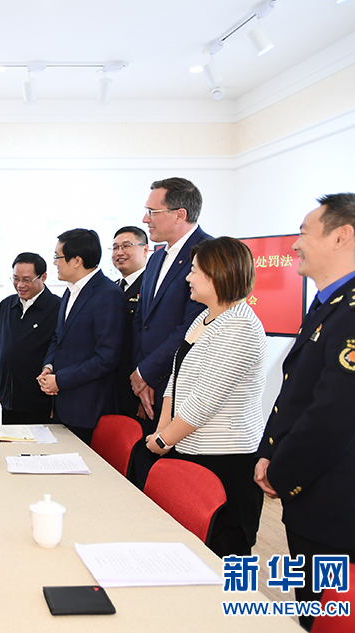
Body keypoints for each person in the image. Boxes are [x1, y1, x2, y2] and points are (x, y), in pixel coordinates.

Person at [255, 193, 355, 630]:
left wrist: (280, 469)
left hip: (339, 504)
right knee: (312, 614)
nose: (295, 244)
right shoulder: (332, 303)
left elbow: (334, 416)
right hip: (313, 493)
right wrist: (269, 453)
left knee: (335, 620)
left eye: (304, 233)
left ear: (341, 236)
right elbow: (296, 395)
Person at [144, 237, 266, 557]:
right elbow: (177, 378)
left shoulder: (240, 325)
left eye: (195, 271)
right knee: (192, 550)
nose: (188, 277)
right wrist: (162, 429)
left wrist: (163, 440)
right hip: (190, 449)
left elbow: (205, 400)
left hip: (225, 459)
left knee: (226, 552)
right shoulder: (205, 317)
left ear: (217, 275)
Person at [130, 177, 212, 487]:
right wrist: (141, 375)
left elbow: (191, 327)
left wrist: (147, 372)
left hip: (182, 389)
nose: (145, 219)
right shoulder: (155, 258)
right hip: (149, 387)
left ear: (179, 214)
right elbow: (142, 321)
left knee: (178, 485)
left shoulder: (208, 254)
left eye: (152, 211)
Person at [37, 229, 124, 444]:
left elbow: (107, 358)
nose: (55, 263)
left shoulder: (108, 294)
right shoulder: (71, 290)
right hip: (64, 403)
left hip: (88, 408)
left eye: (57, 256)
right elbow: (59, 337)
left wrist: (61, 380)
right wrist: (49, 366)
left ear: (77, 260)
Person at [0, 252, 58, 424]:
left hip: (40, 400)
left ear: (43, 277)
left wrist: (57, 401)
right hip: (9, 398)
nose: (20, 285)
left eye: (27, 280)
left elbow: (61, 353)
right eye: (16, 279)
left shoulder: (57, 307)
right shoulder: (6, 305)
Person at [111, 226, 149, 418]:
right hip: (112, 384)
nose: (119, 252)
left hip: (138, 384)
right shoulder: (113, 288)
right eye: (115, 247)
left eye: (126, 246)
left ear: (145, 250)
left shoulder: (150, 287)